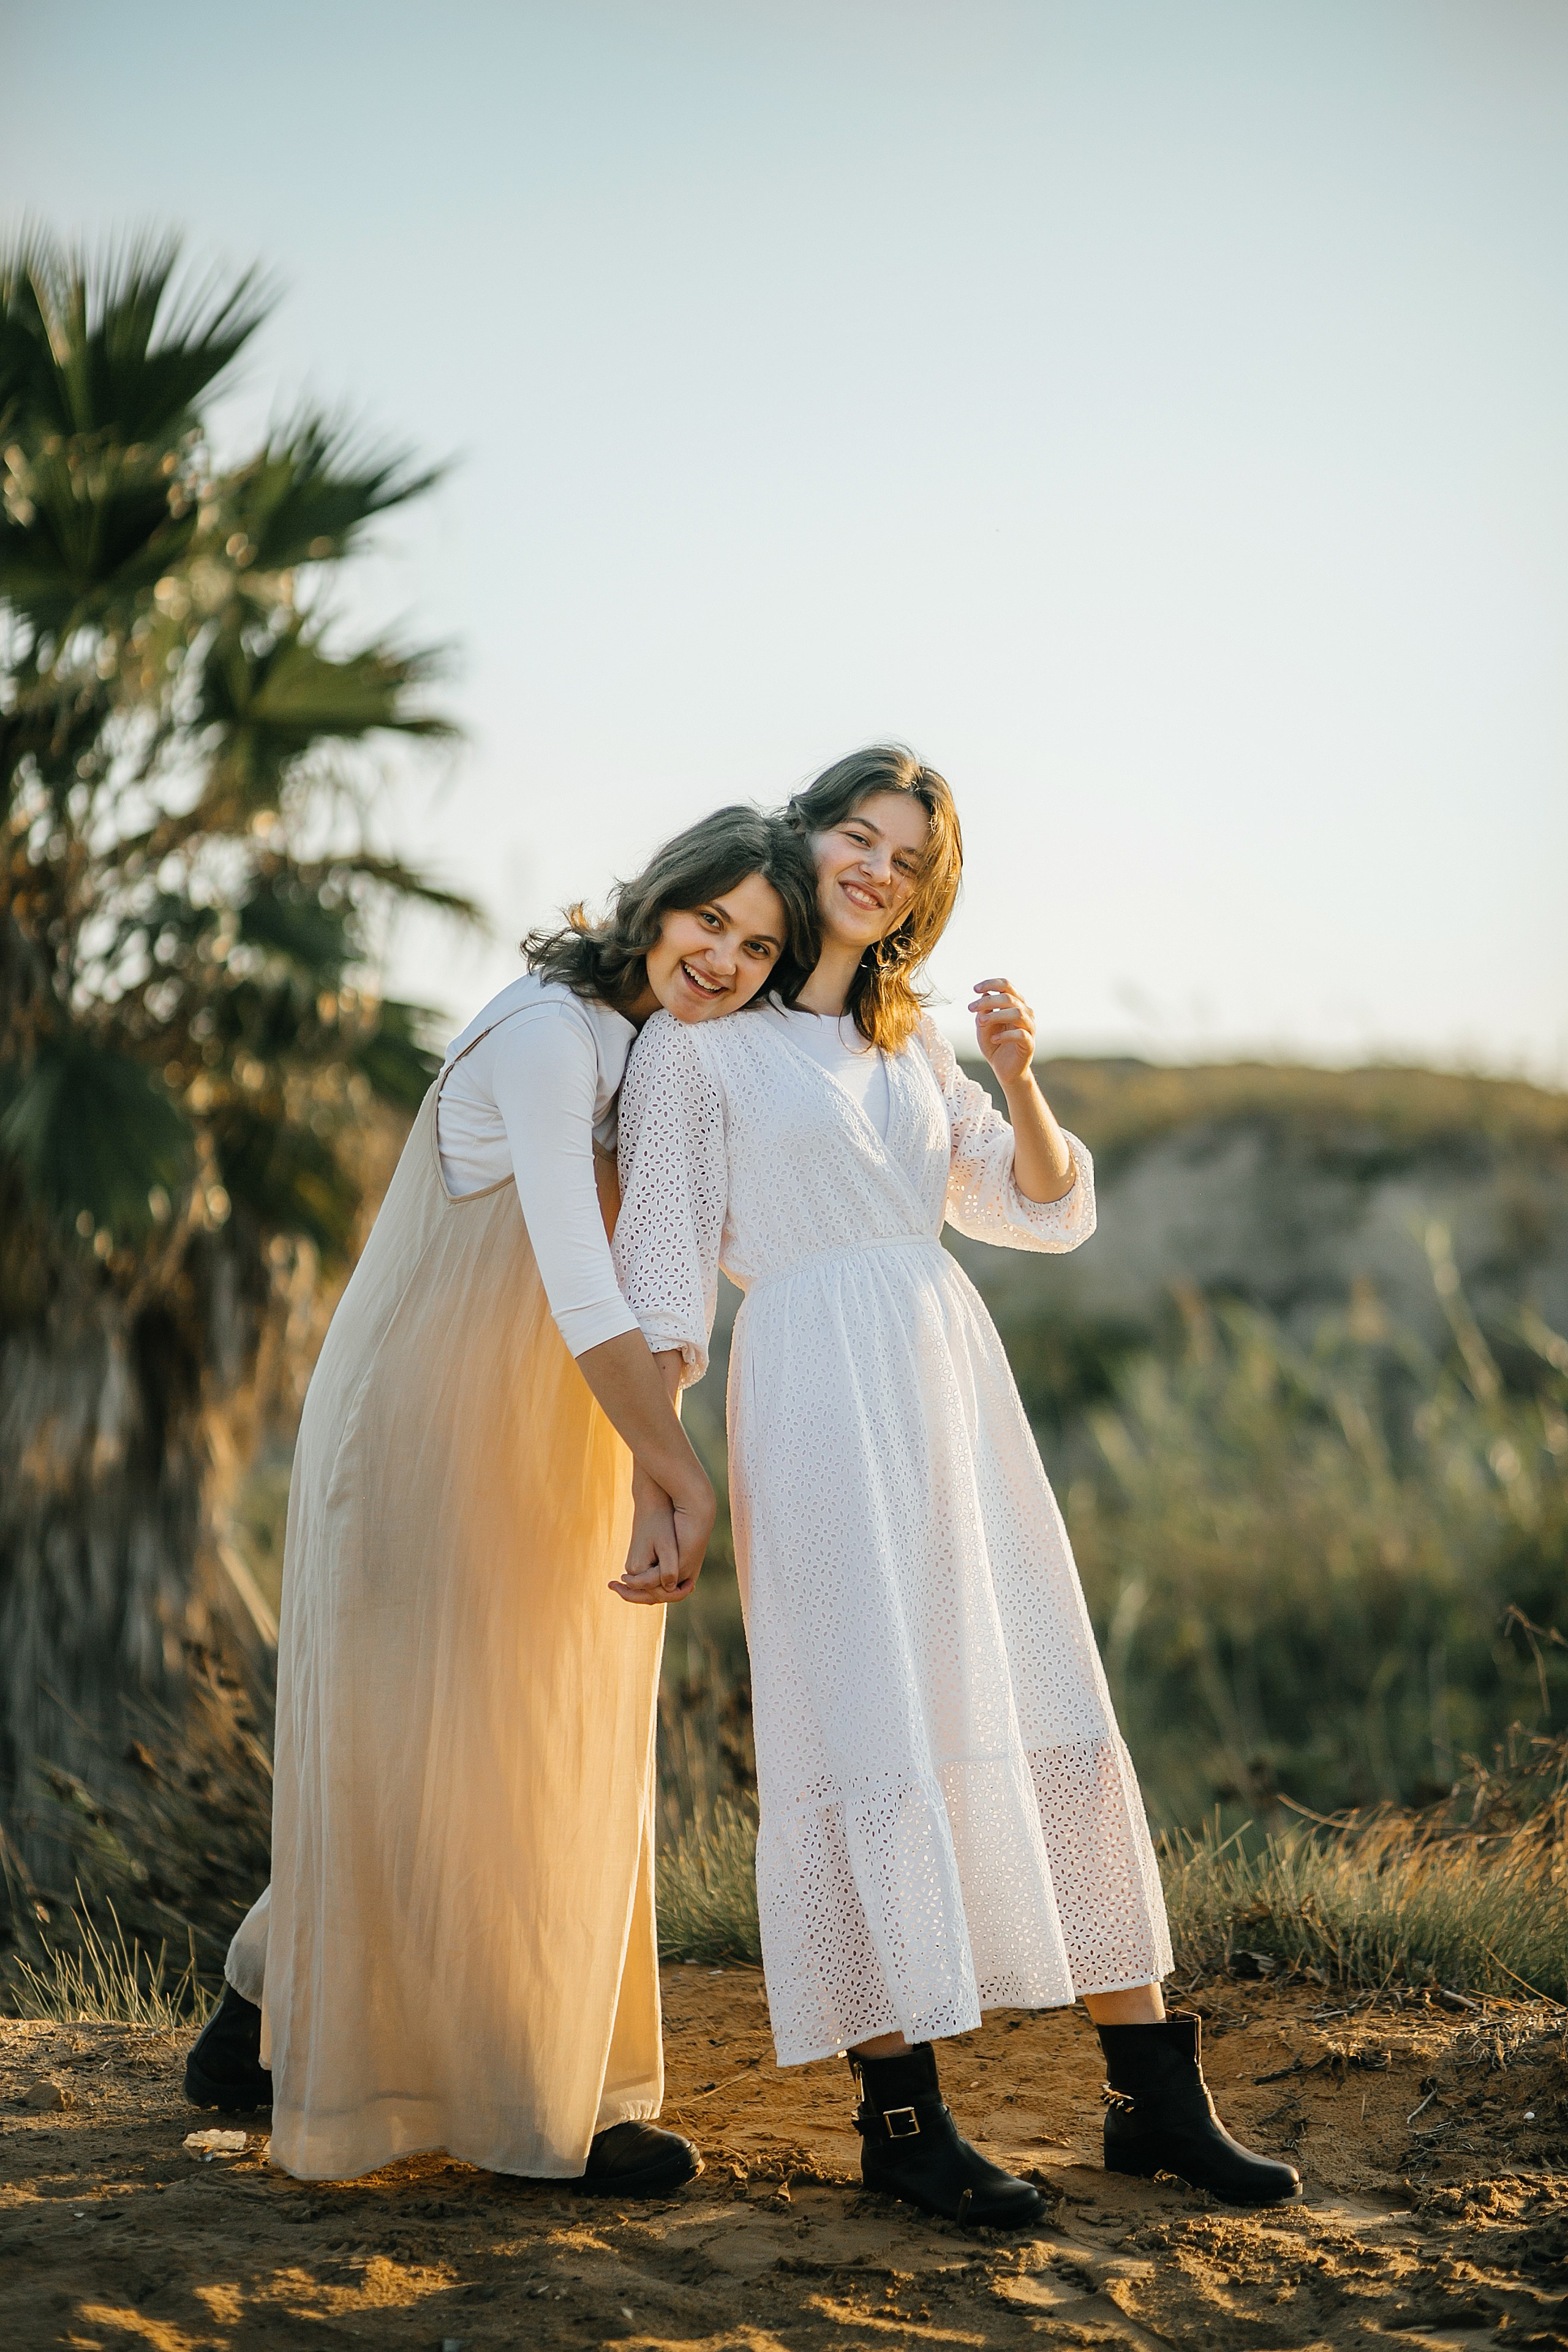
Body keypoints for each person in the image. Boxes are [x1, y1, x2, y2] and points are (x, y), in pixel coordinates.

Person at [610, 745, 1300, 2224]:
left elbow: (1040, 1211)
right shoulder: (694, 1045)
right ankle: (902, 2119)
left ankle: (1152, 2096)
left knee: (1037, 1695)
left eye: (905, 857)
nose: (873, 868)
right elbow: (663, 1277)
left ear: (924, 890)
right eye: (852, 835)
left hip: (945, 1379)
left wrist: (1018, 1078)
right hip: (803, 1390)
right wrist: (654, 1482)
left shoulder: (912, 1043)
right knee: (860, 1722)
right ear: (794, 847)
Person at [184, 805, 820, 2193]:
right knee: (437, 1733)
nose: (721, 959)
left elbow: (666, 1262)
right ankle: (536, 2109)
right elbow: (573, 1271)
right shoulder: (546, 1032)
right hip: (426, 1415)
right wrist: (678, 1466)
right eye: (709, 920)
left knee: (522, 1728)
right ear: (656, 901)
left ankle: (261, 2002)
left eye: (758, 948)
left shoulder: (655, 1061)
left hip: (556, 1421)